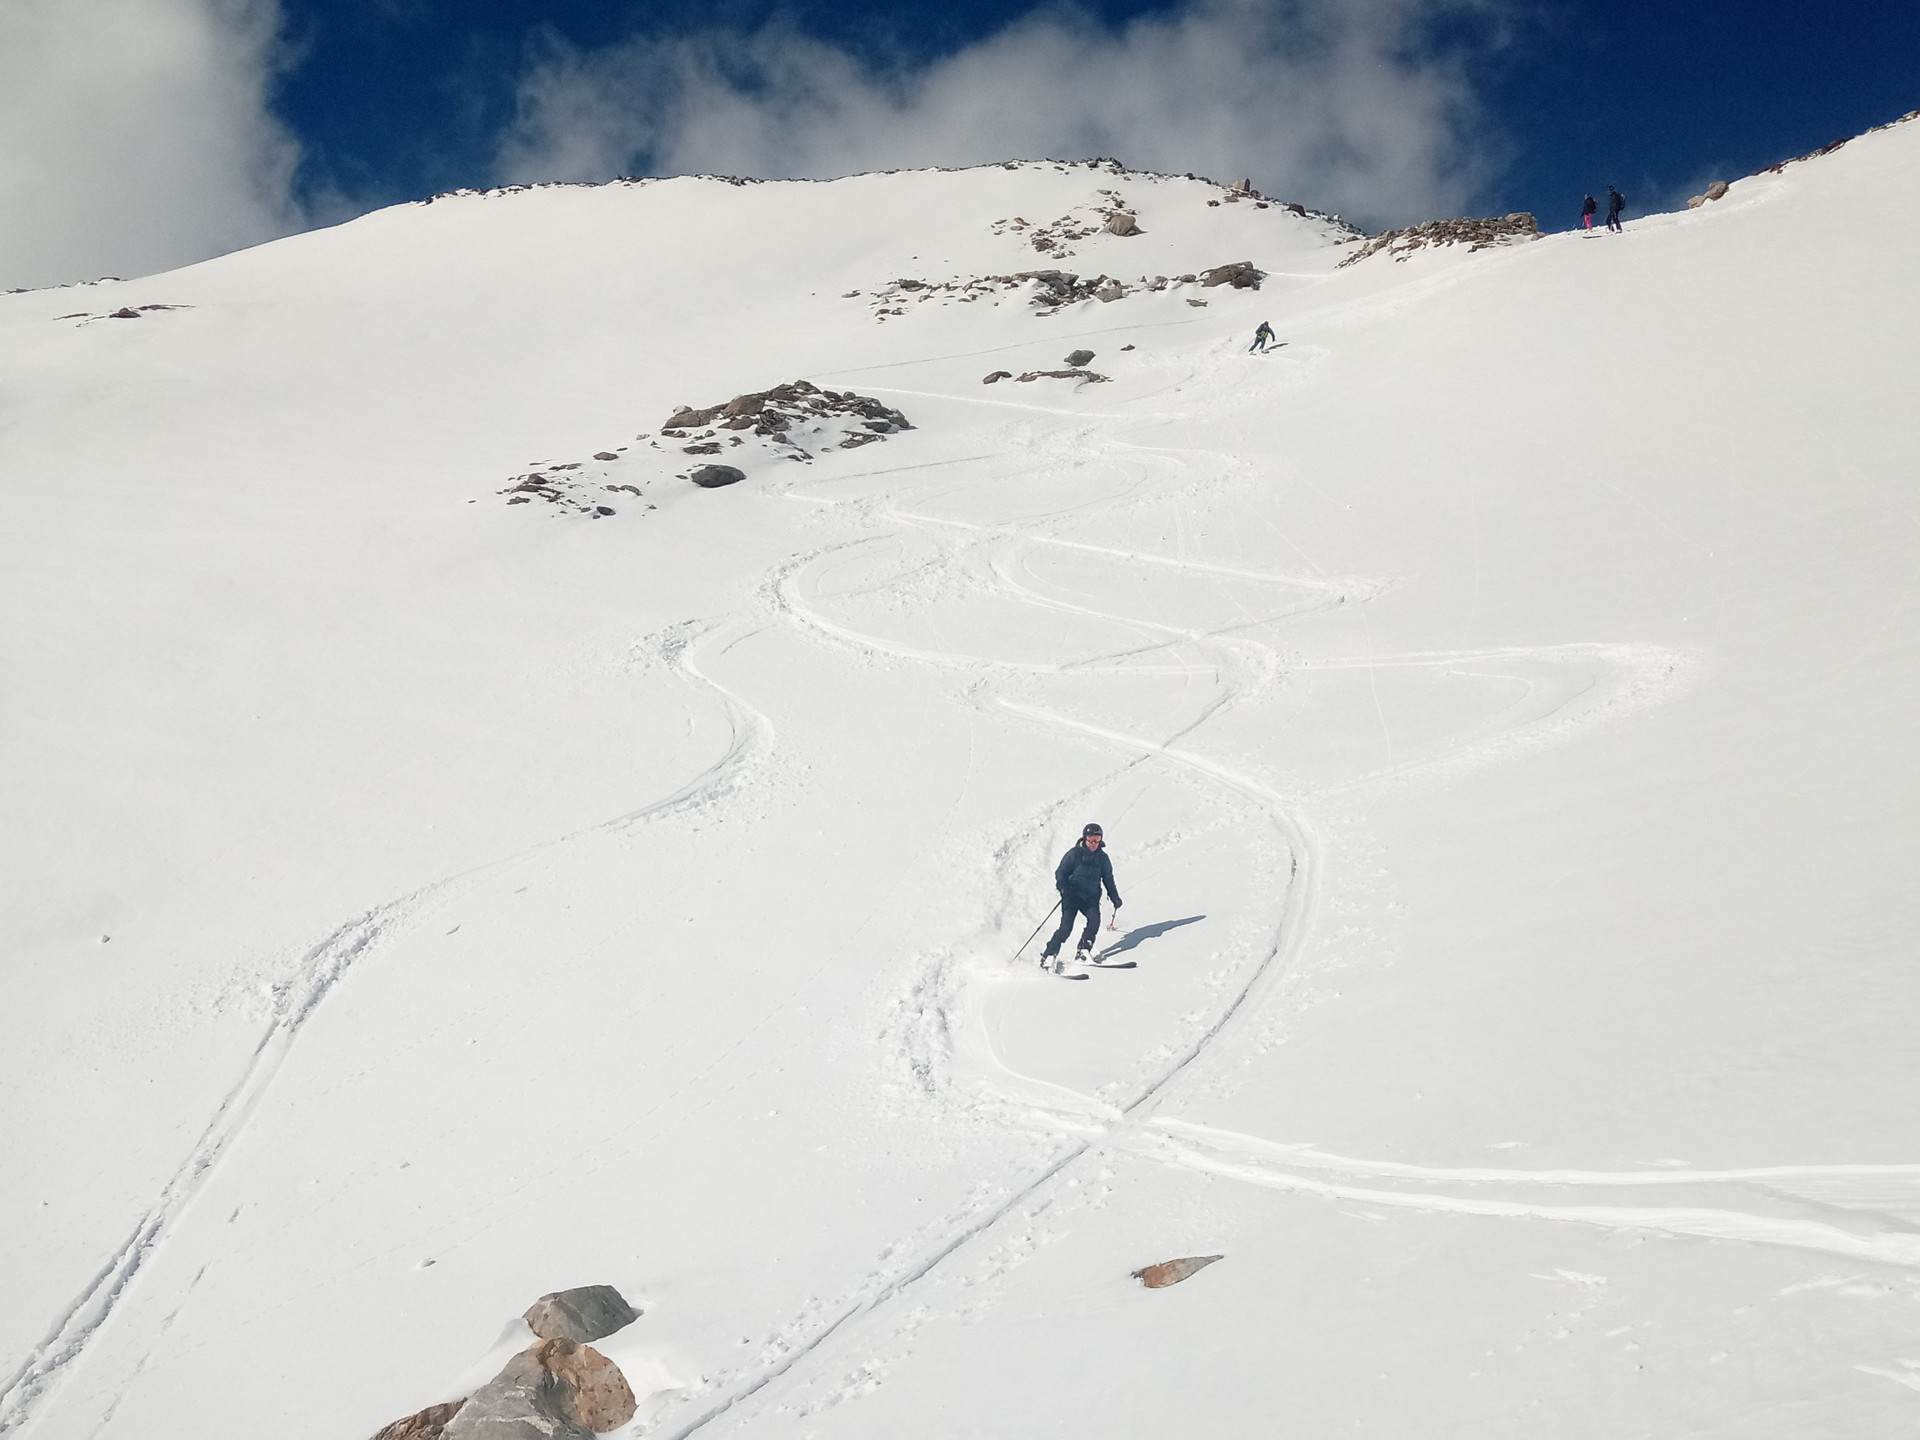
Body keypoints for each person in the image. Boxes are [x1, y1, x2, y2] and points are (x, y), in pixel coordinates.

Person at [1041, 823, 1122, 969]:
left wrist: (1114, 897)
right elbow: (1061, 873)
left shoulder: (1103, 858)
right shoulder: (1074, 854)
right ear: (1085, 838)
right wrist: (1063, 888)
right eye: (1090, 839)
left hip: (1090, 898)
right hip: (1072, 896)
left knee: (1094, 922)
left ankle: (1083, 951)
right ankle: (1049, 955)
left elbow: (1108, 879)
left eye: (1097, 840)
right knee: (1066, 928)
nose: (1093, 843)